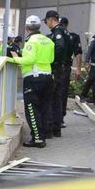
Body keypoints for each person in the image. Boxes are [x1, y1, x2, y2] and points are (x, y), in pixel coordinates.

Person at [7, 15, 54, 148]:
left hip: (33, 78)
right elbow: (51, 58)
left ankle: (37, 138)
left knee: (32, 108)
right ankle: (43, 135)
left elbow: (29, 60)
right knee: (44, 108)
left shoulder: (31, 41)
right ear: (39, 26)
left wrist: (15, 58)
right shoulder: (48, 40)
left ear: (26, 28)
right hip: (48, 77)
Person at [44, 10, 70, 138]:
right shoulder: (66, 32)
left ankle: (49, 129)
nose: (46, 24)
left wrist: (53, 60)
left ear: (50, 19)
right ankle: (57, 128)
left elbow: (59, 47)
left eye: (46, 21)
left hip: (56, 68)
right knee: (58, 98)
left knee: (50, 98)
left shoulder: (58, 32)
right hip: (62, 68)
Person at [58, 17, 83, 127]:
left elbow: (78, 53)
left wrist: (78, 69)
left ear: (64, 25)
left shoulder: (73, 37)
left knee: (62, 92)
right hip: (54, 68)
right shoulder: (53, 35)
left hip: (65, 68)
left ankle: (60, 118)